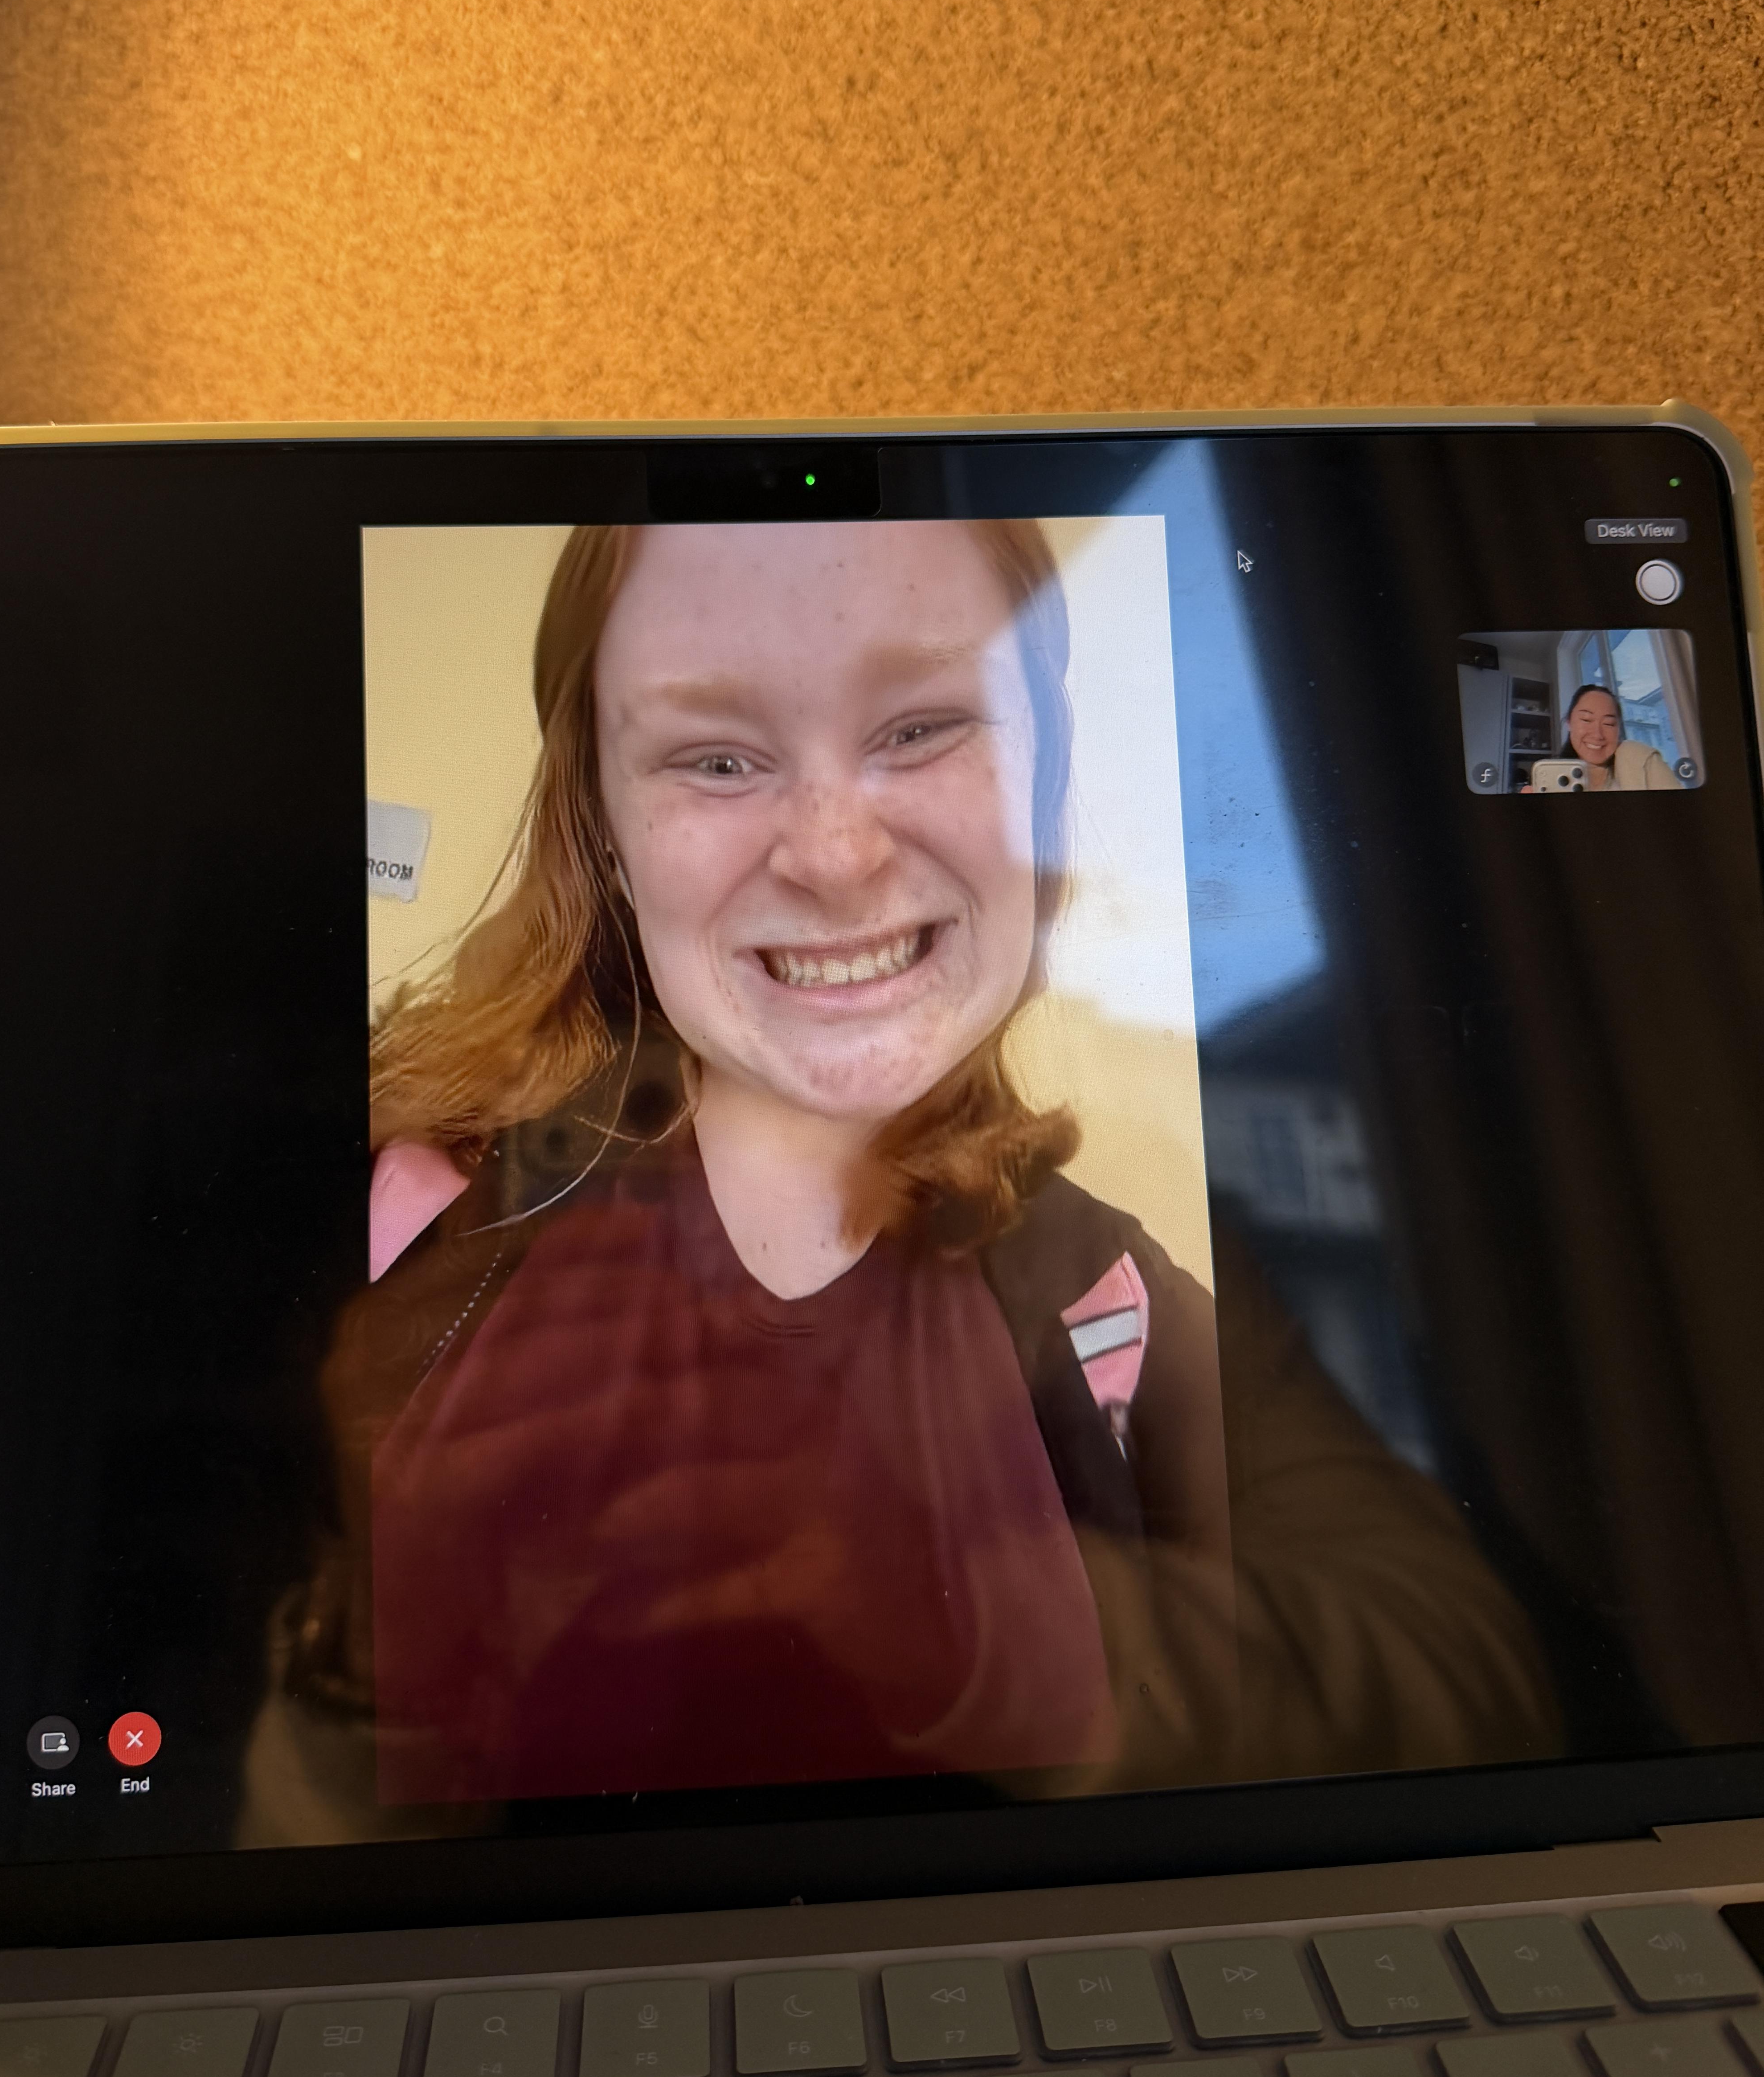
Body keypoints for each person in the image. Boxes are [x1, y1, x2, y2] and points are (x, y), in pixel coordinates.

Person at [239, 520, 1557, 1837]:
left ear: (1039, 787)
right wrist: (381, 1640)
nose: (837, 856)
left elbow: (1475, 1684)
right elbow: (261, 1891)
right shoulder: (412, 1227)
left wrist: (954, 1610)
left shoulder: (1107, 1280)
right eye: (717, 757)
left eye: (924, 727)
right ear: (607, 835)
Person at [1559, 682, 1681, 789]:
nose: (1598, 735)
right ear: (1569, 723)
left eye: (1609, 724)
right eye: (1586, 720)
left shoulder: (1640, 760)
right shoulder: (1552, 778)